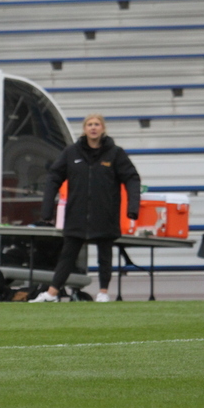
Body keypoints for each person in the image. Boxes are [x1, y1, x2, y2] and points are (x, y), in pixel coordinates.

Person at [31, 114, 141, 303]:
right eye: (89, 124)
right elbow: (53, 177)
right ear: (84, 129)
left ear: (103, 128)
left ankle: (103, 293)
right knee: (67, 256)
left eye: (97, 124)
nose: (93, 128)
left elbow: (132, 178)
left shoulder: (115, 153)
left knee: (104, 256)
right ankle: (51, 293)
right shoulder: (71, 152)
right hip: (77, 215)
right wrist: (47, 210)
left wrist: (133, 208)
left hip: (105, 214)